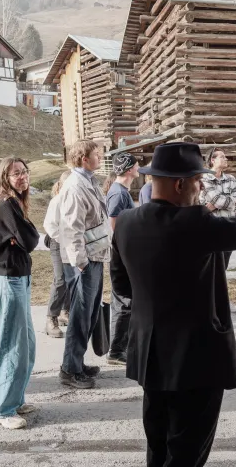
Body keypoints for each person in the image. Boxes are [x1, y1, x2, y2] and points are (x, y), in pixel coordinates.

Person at [111, 141, 236, 467]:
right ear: (180, 184)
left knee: (157, 448)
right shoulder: (196, 225)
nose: (202, 187)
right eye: (199, 181)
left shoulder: (127, 223)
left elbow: (120, 285)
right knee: (187, 453)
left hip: (151, 357)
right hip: (195, 362)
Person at [0, 156, 41, 430]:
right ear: (4, 178)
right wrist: (25, 234)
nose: (22, 177)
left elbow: (26, 238)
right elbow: (31, 240)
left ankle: (15, 399)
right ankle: (1, 410)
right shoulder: (5, 204)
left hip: (20, 279)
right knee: (11, 346)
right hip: (8, 281)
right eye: (15, 173)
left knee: (26, 347)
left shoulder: (15, 203)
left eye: (24, 171)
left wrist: (24, 234)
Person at [58, 140, 109, 390]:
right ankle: (69, 369)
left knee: (89, 314)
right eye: (95, 154)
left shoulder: (90, 180)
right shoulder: (75, 186)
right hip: (84, 260)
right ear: (83, 159)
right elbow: (71, 226)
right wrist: (80, 261)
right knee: (80, 315)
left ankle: (77, 363)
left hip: (95, 255)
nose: (99, 157)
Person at [106, 152, 140, 366]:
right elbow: (115, 225)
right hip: (121, 255)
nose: (139, 167)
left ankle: (122, 346)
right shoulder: (118, 194)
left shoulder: (121, 191)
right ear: (129, 169)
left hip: (123, 253)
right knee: (124, 301)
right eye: (136, 165)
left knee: (125, 301)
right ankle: (117, 351)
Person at [200, 148, 236, 313]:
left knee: (223, 267)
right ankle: (208, 303)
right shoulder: (205, 178)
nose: (226, 159)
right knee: (210, 267)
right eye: (222, 157)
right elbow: (217, 200)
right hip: (211, 230)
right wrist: (231, 200)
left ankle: (223, 301)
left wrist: (221, 203)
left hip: (229, 228)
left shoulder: (231, 178)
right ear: (212, 160)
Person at [43, 170, 72, 338]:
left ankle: (65, 311)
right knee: (60, 279)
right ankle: (50, 318)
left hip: (71, 241)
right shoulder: (57, 201)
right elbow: (50, 226)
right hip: (58, 241)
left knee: (69, 277)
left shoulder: (75, 199)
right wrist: (64, 239)